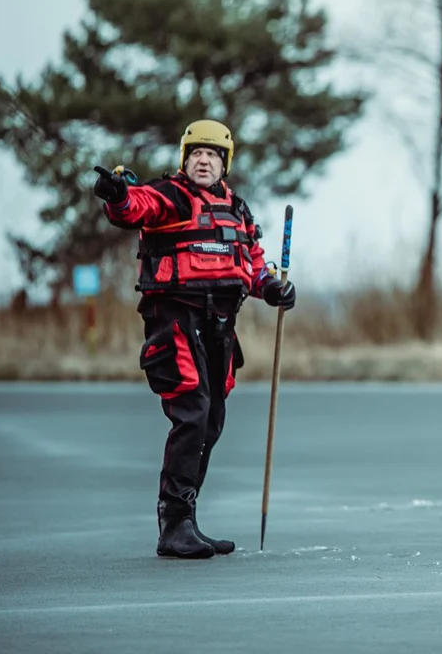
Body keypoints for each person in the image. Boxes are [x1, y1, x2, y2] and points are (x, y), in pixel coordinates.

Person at [93, 119, 296, 559]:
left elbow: (254, 266)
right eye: (196, 154)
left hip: (221, 325)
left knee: (212, 419)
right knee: (192, 411)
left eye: (212, 155)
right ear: (185, 161)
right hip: (175, 319)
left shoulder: (238, 210)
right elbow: (134, 207)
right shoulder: (169, 195)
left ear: (225, 164)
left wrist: (273, 288)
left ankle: (188, 520)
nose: (203, 161)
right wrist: (117, 195)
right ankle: (173, 525)